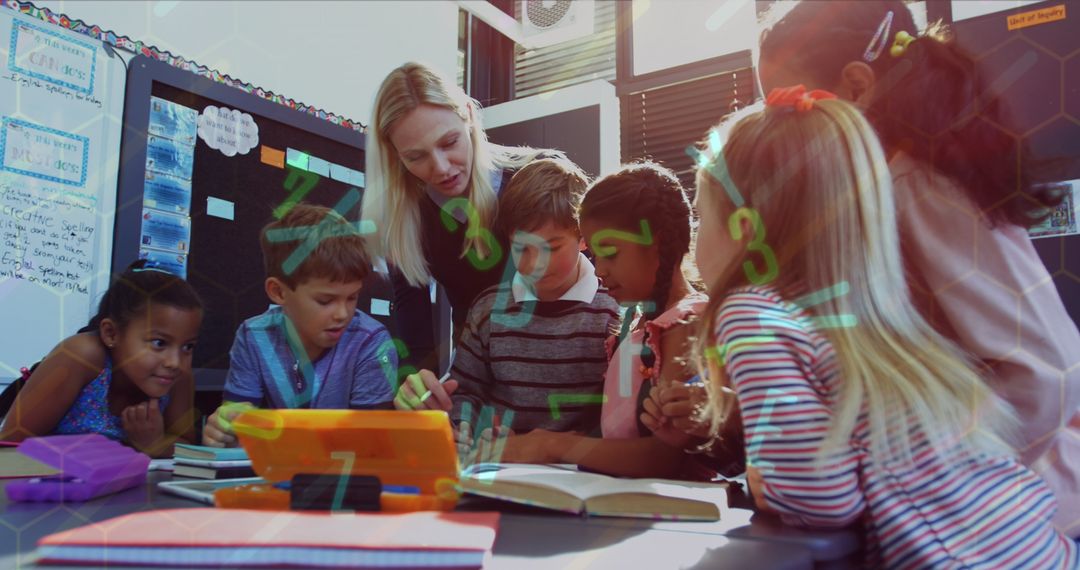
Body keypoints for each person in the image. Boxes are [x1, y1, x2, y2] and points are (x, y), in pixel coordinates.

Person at [694, 86, 1077, 567]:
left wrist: (767, 481)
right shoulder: (881, 322)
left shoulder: (751, 312)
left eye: (698, 219)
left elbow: (824, 500)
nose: (695, 244)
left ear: (744, 234)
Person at [756, 0, 1080, 537]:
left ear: (857, 86)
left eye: (791, 105)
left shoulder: (916, 187)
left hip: (1027, 517)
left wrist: (937, 480)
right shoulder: (904, 181)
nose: (781, 125)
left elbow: (1046, 369)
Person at [497, 163, 720, 478]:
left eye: (611, 254)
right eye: (596, 256)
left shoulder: (685, 324)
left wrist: (550, 445)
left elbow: (661, 458)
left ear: (656, 244)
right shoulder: (638, 324)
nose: (599, 270)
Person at [395, 157, 619, 439]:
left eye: (552, 248)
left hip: (583, 471)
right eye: (523, 249)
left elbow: (620, 415)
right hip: (500, 467)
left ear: (583, 237)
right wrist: (473, 425)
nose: (537, 264)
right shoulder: (488, 310)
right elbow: (464, 394)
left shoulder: (614, 312)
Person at [363, 61, 554, 373]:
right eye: (416, 156)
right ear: (394, 156)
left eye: (449, 142)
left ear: (467, 114)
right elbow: (417, 346)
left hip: (566, 368)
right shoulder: (405, 217)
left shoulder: (537, 174)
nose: (439, 168)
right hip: (480, 381)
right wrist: (418, 384)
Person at [202, 204, 396, 447]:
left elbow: (369, 444)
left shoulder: (371, 342)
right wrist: (224, 432)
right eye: (325, 301)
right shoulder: (253, 336)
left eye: (352, 297)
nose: (342, 313)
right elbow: (237, 423)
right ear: (278, 292)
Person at [0, 260, 202, 458]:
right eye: (159, 343)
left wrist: (155, 444)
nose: (174, 362)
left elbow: (189, 447)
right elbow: (8, 447)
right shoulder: (81, 356)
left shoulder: (177, 377)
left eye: (188, 347)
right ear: (111, 334)